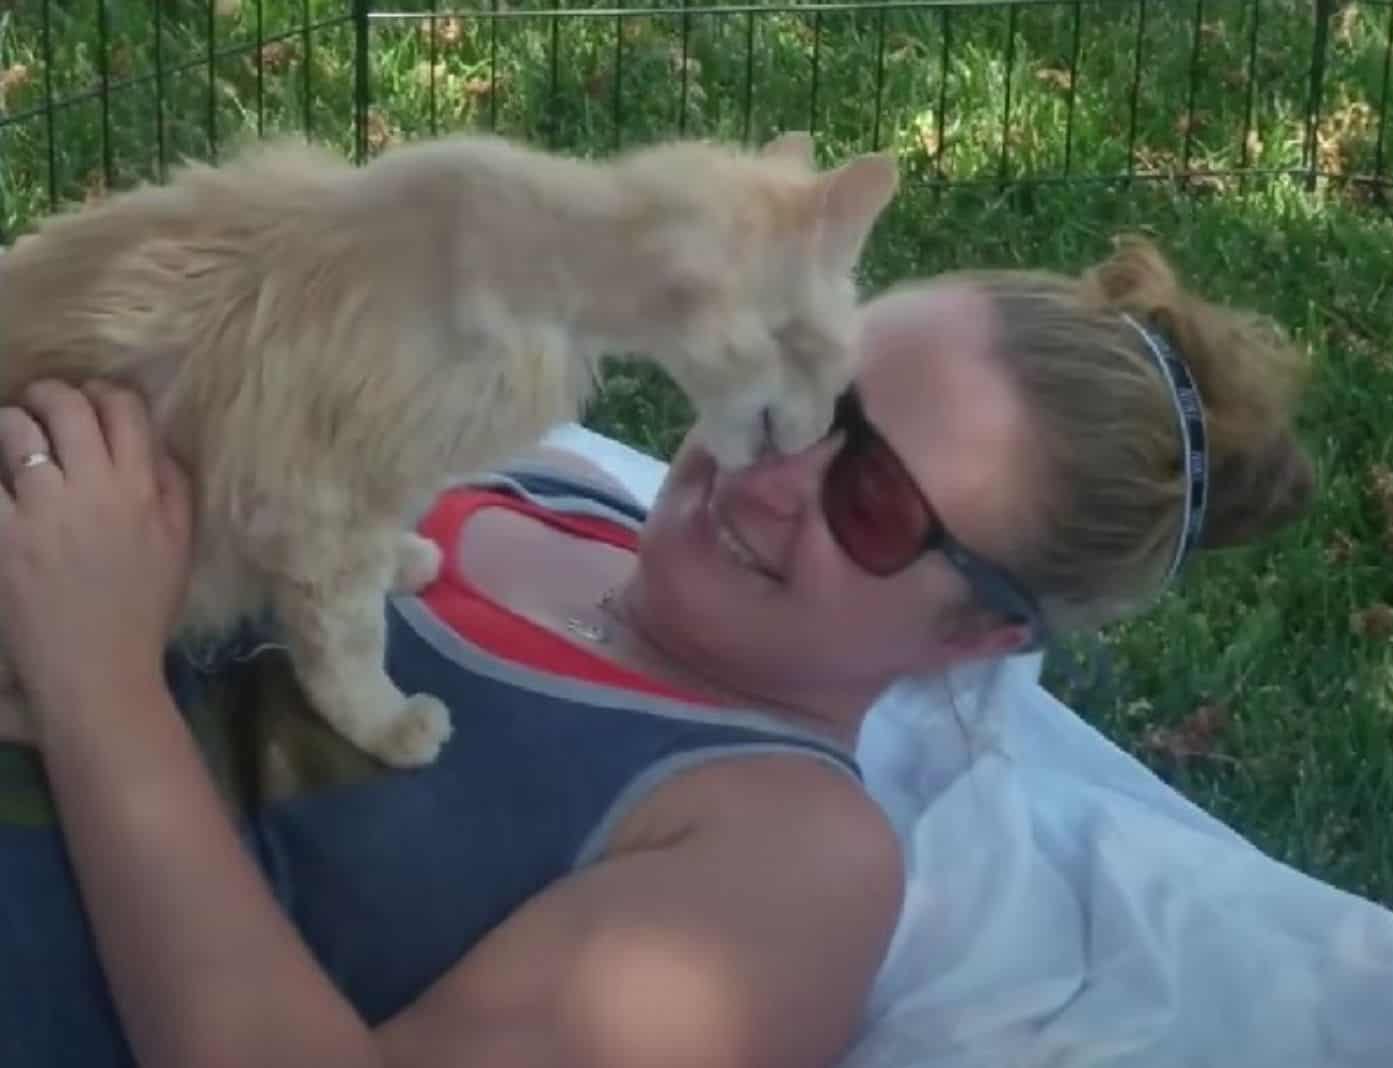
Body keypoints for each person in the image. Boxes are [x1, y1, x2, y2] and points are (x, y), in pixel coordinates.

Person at [0, 235, 1314, 1068]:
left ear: (982, 631)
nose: (769, 473)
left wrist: (103, 691)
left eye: (872, 504)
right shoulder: (543, 486)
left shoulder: (786, 868)